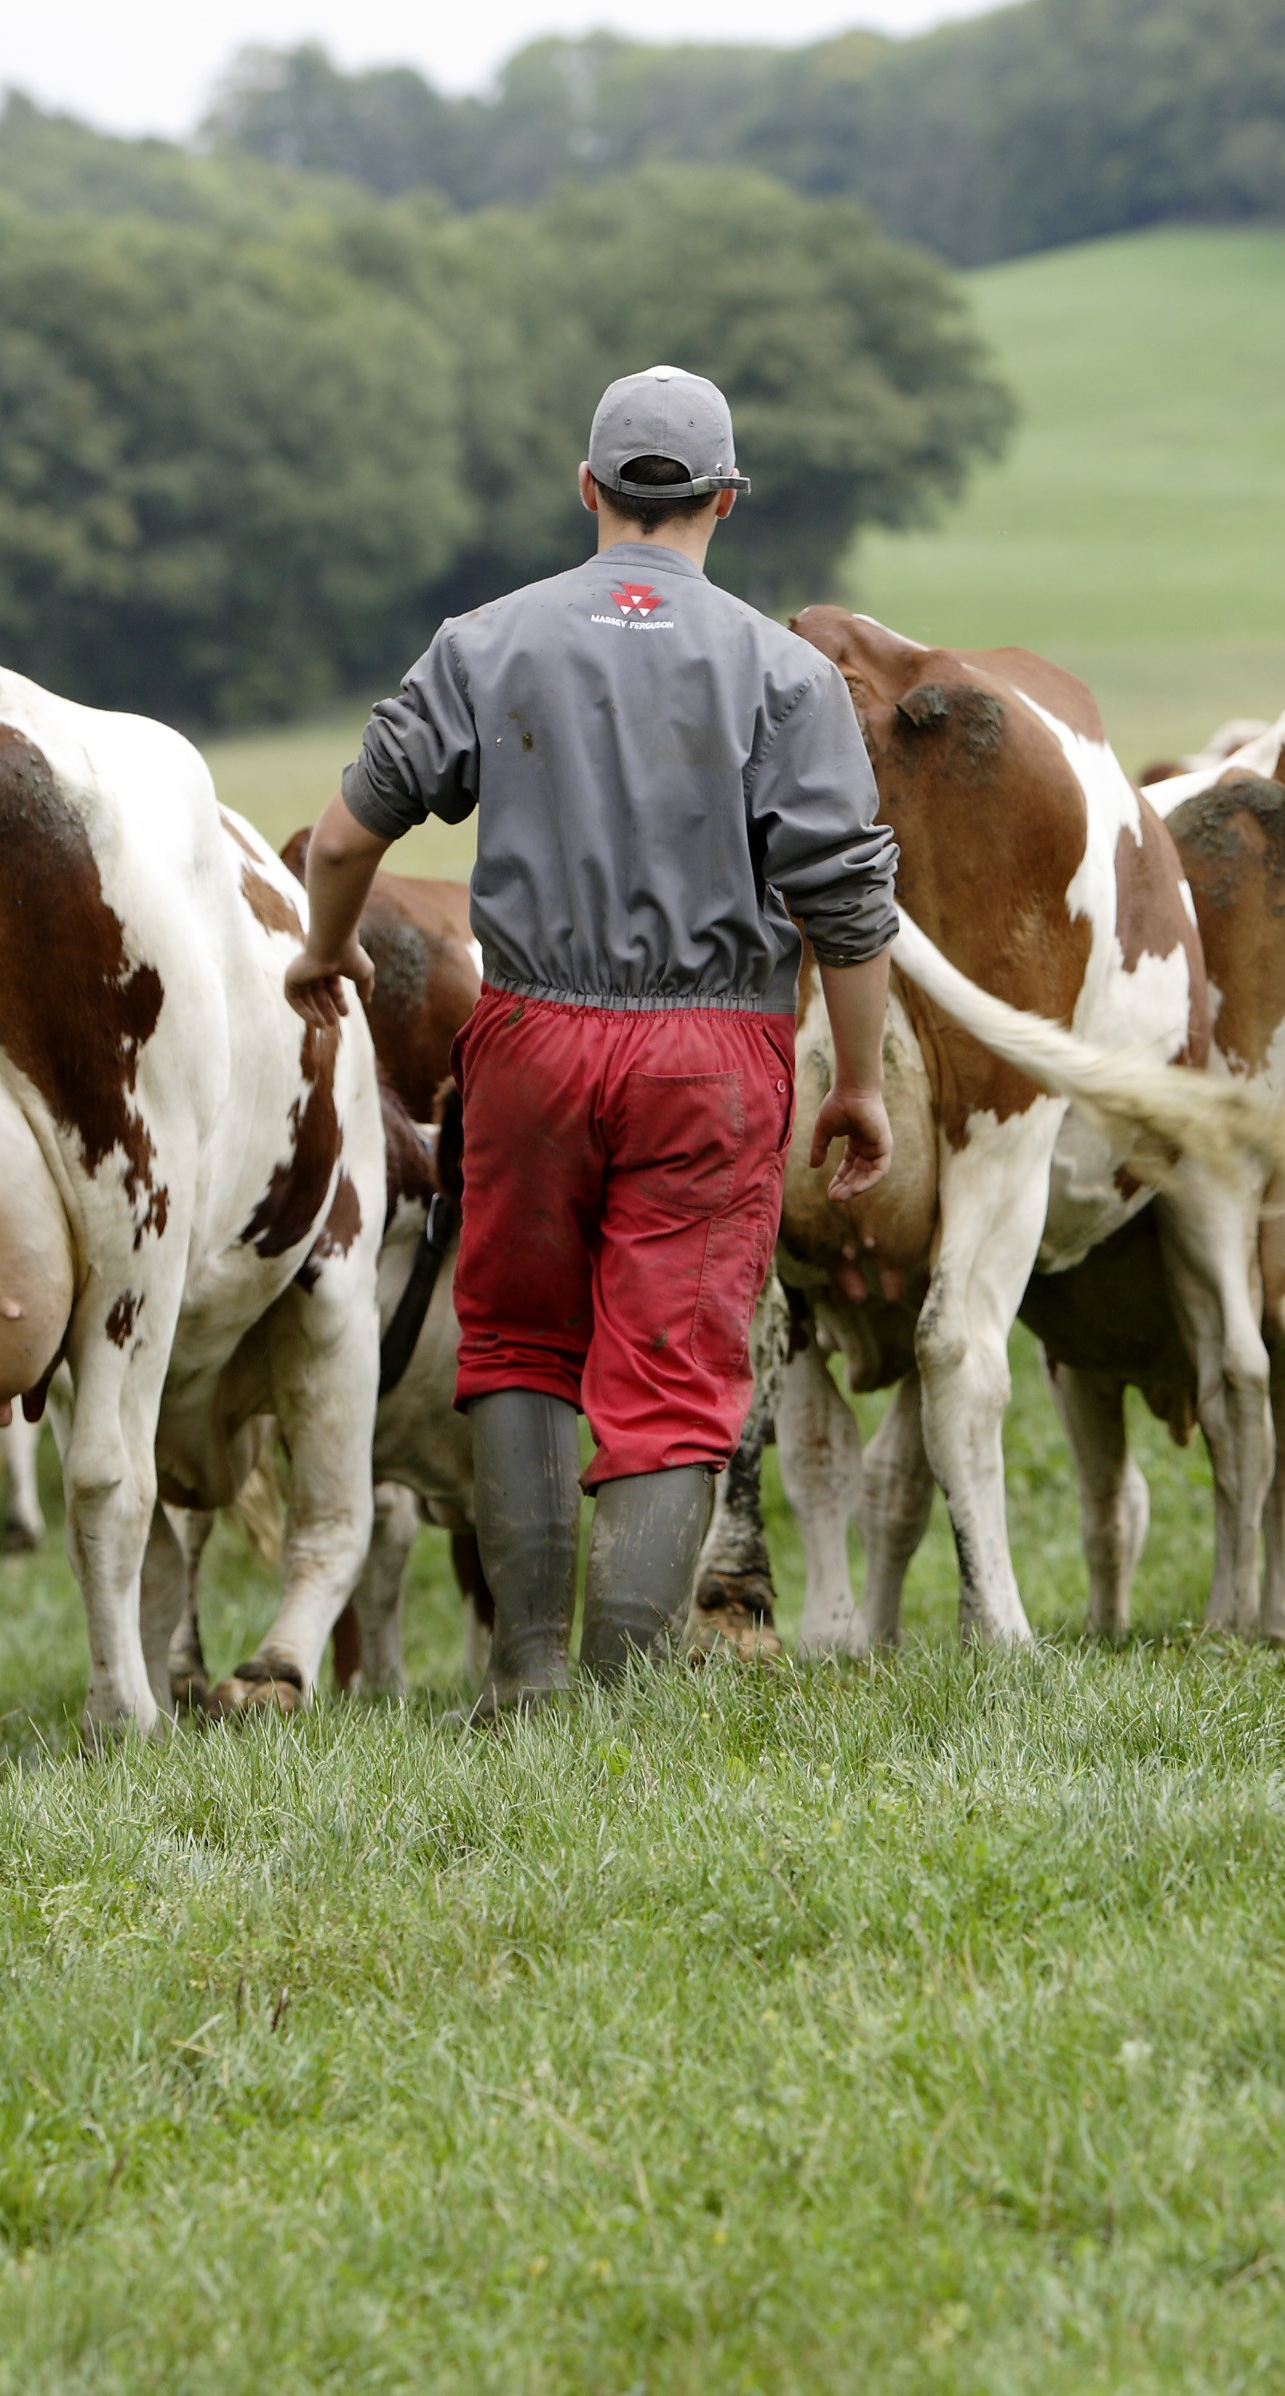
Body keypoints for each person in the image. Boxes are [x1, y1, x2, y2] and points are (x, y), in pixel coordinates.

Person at [288, 366, 898, 1718]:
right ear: (724, 502)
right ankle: (621, 1697)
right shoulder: (784, 675)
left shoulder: (487, 641)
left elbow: (341, 836)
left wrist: (326, 949)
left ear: (590, 491)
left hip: (532, 1039)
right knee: (675, 1367)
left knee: (515, 1342)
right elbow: (850, 910)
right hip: (714, 1056)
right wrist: (855, 1084)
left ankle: (528, 1676)